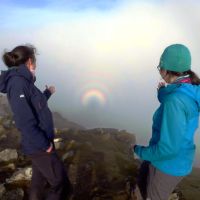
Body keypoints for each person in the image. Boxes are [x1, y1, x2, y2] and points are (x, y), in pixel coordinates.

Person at [0, 44, 72, 200]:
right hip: (39, 144)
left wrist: (47, 93)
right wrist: (45, 145)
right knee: (61, 184)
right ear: (30, 61)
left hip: (39, 142)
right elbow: (24, 122)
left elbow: (35, 106)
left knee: (38, 181)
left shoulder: (24, 81)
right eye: (35, 60)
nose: (36, 64)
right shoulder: (18, 84)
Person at [132, 44, 200, 200]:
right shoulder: (190, 88)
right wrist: (163, 93)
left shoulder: (174, 101)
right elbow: (178, 101)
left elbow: (167, 149)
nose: (159, 70)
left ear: (166, 69)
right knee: (144, 179)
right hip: (182, 157)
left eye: (159, 66)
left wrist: (138, 150)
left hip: (167, 165)